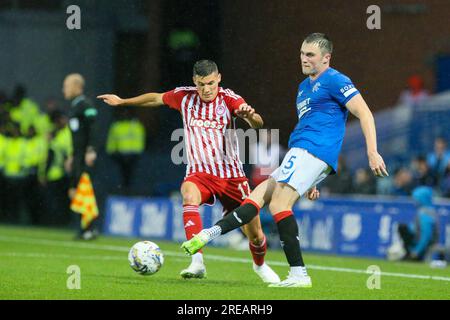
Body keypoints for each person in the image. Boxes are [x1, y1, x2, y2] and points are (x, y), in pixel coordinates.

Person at [181, 33, 389, 288]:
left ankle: (299, 274)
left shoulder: (336, 80)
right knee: (255, 198)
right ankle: (206, 235)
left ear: (326, 58)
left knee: (279, 205)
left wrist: (372, 151)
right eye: (302, 53)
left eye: (310, 55)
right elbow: (313, 123)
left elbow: (365, 113)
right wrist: (311, 180)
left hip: (312, 151)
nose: (303, 58)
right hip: (299, 153)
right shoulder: (303, 88)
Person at [98, 60, 280, 283]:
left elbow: (258, 125)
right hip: (199, 173)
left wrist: (249, 116)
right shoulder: (184, 96)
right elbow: (156, 98)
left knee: (255, 233)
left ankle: (260, 266)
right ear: (195, 81)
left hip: (232, 176)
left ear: (219, 78)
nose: (206, 89)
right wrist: (123, 101)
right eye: (202, 84)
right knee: (188, 194)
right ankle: (197, 262)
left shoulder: (230, 99)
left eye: (211, 83)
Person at [62, 73, 98, 240]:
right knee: (74, 191)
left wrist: (90, 150)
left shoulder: (85, 105)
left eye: (66, 86)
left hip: (84, 155)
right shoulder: (75, 107)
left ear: (77, 87)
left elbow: (92, 128)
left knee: (84, 191)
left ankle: (89, 229)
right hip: (77, 155)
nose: (64, 90)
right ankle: (84, 228)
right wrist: (72, 156)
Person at [397, 186, 438, 261]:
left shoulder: (426, 213)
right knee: (403, 227)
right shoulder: (426, 210)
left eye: (416, 198)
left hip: (425, 245)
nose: (415, 200)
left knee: (402, 227)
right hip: (420, 241)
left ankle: (413, 255)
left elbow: (426, 235)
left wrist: (416, 251)